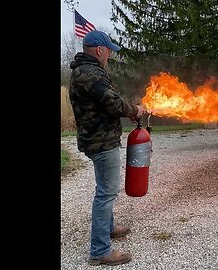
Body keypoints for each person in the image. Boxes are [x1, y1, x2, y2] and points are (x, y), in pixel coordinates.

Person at [68, 30, 146, 266]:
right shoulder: (92, 73)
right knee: (106, 193)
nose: (110, 55)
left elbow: (105, 104)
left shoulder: (83, 70)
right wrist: (135, 110)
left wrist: (127, 112)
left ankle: (109, 228)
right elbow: (113, 103)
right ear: (99, 50)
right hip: (101, 142)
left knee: (105, 188)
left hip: (96, 138)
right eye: (109, 50)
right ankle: (100, 250)